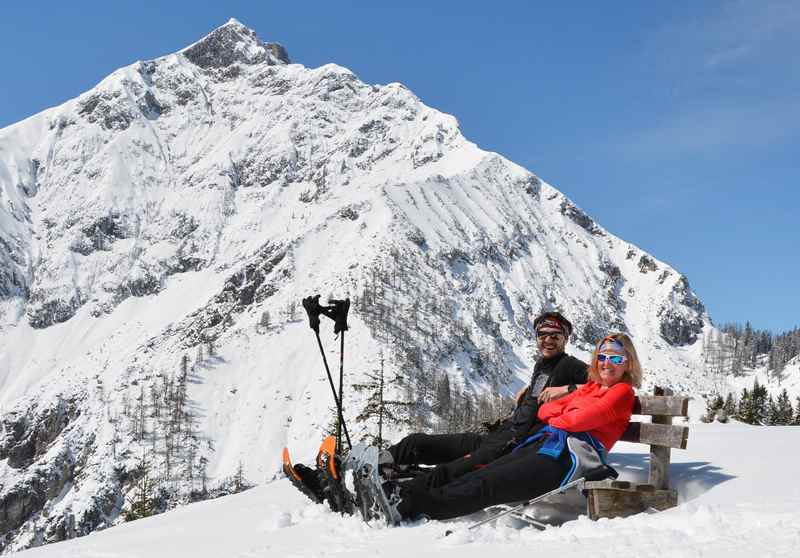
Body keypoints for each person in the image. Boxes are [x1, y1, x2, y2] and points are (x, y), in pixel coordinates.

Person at [288, 311, 587, 504]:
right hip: (501, 436)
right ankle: (347, 478)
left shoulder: (571, 366)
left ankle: (387, 494)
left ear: (565, 339)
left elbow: (614, 383)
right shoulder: (543, 364)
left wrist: (568, 389)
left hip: (512, 447)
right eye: (542, 335)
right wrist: (526, 396)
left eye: (555, 336)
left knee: (449, 470)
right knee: (415, 443)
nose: (547, 340)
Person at [389, 332, 641, 522]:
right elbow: (545, 410)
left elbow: (576, 420)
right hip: (547, 445)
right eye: (602, 357)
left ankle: (410, 505)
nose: (607, 363)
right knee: (479, 474)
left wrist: (567, 412)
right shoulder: (593, 387)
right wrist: (569, 411)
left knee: (490, 485)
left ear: (628, 363)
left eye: (616, 358)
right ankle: (403, 493)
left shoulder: (622, 392)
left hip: (567, 459)